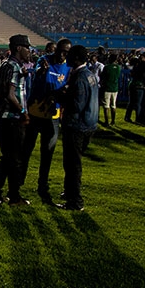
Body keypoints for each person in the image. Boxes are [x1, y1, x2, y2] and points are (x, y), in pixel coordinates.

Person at [22, 38, 71, 203]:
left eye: (67, 52)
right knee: (26, 150)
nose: (64, 55)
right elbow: (37, 71)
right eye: (62, 51)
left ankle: (42, 186)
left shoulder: (68, 67)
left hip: (53, 115)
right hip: (36, 112)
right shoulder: (44, 61)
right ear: (56, 50)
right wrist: (41, 72)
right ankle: (18, 183)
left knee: (47, 153)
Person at [0, 35, 33, 206]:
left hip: (4, 117)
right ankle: (14, 196)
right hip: (12, 118)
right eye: (26, 47)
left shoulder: (9, 65)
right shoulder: (13, 66)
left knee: (8, 158)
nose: (29, 51)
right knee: (14, 159)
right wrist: (23, 112)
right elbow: (10, 95)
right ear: (18, 48)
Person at [57, 45, 99, 211]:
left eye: (69, 55)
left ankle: (75, 201)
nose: (65, 57)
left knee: (73, 164)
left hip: (77, 125)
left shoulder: (80, 77)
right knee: (71, 163)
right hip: (89, 123)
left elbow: (76, 104)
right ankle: (69, 192)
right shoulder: (90, 74)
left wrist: (61, 97)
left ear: (75, 58)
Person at [125, 52, 145, 124]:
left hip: (133, 84)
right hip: (140, 85)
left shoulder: (136, 67)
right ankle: (138, 118)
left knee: (131, 102)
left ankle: (127, 117)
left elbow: (133, 74)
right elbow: (144, 76)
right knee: (139, 103)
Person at [100, 53, 122, 125]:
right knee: (113, 105)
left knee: (106, 106)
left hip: (107, 87)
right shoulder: (118, 67)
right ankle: (113, 121)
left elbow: (102, 76)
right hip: (115, 87)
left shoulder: (107, 67)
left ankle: (106, 121)